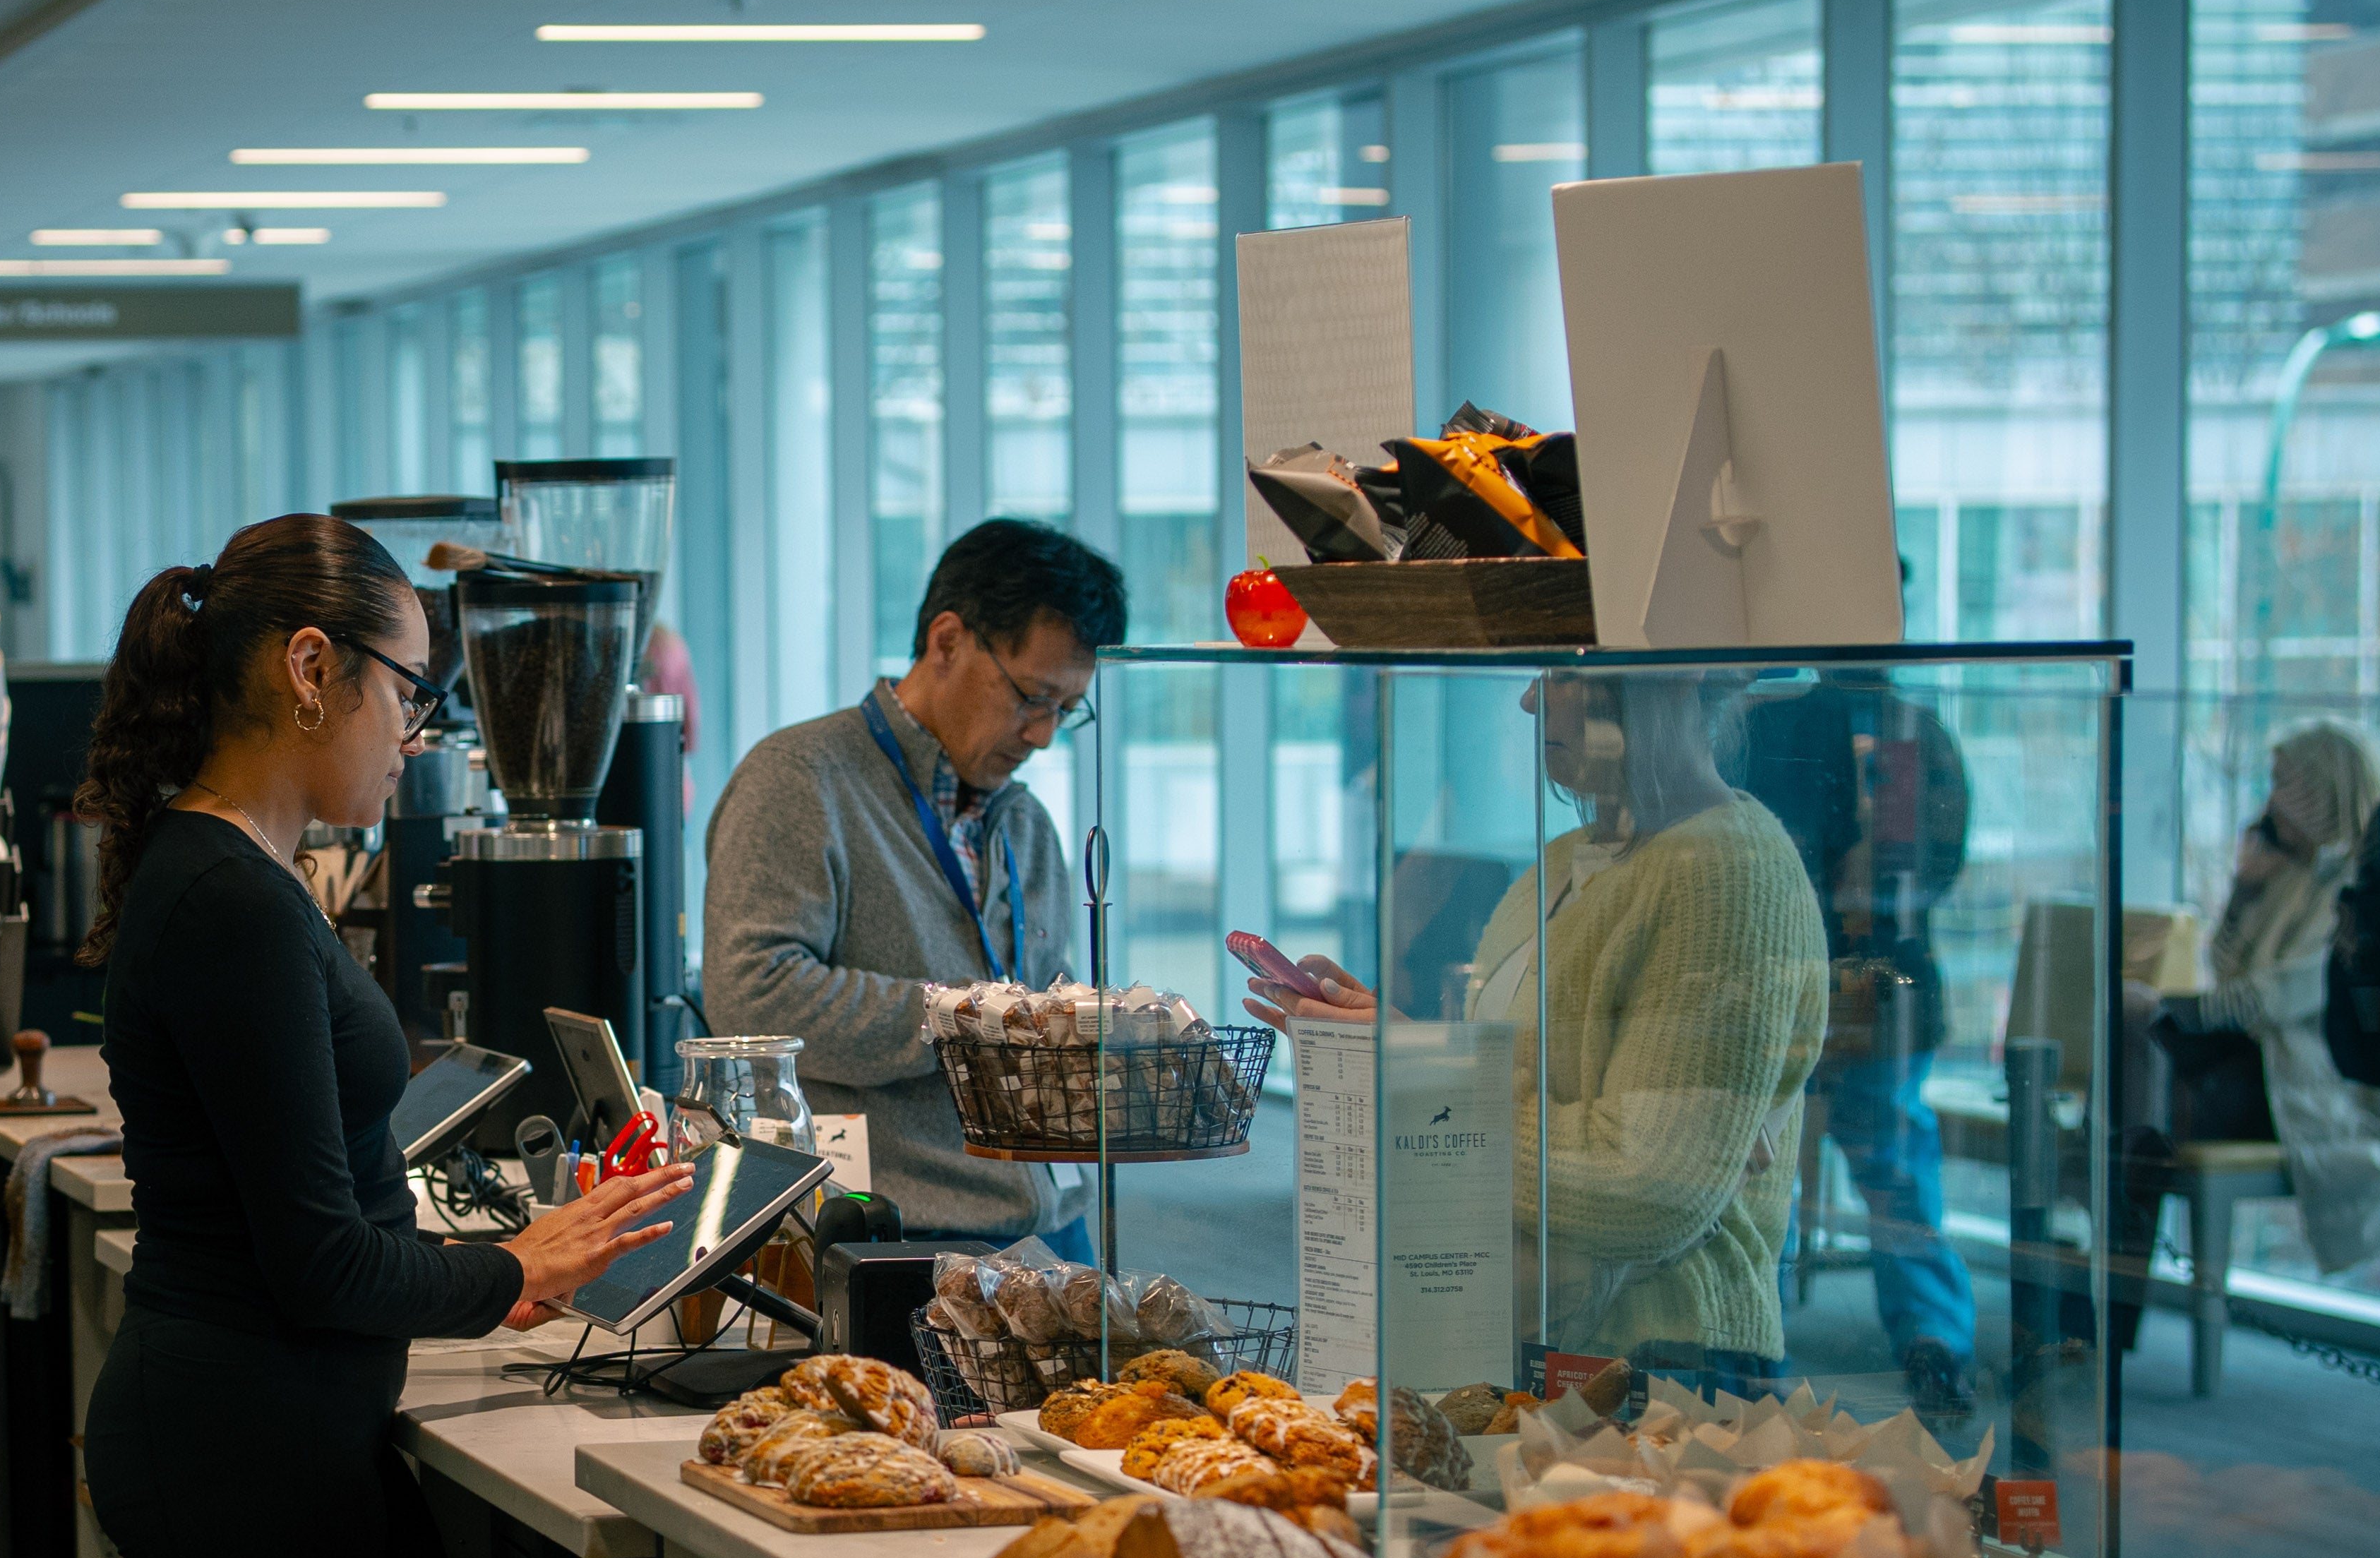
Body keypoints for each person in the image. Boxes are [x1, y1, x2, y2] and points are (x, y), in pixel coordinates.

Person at [73, 513, 693, 1558]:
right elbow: (317, 1258)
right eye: (411, 691)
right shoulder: (230, 899)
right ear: (310, 668)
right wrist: (507, 1267)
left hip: (288, 1440)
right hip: (247, 1458)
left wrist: (496, 1278)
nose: (417, 731)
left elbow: (324, 1216)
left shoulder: (235, 876)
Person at [1244, 667, 1829, 1377]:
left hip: (1663, 1362)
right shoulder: (1562, 862)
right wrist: (1396, 1042)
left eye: (1565, 674)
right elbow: (1515, 1084)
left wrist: (1417, 1071)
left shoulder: (1726, 868)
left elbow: (1649, 1189)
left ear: (1671, 677)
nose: (1530, 700)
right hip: (1530, 1340)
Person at [702, 518, 1125, 1253]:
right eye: (1032, 696)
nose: (1043, 735)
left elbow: (1045, 1018)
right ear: (946, 641)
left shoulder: (1023, 824)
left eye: (1067, 709)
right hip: (896, 1235)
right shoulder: (800, 780)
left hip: (1053, 1225)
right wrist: (960, 1016)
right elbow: (753, 996)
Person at [1736, 662, 1980, 1418]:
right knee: (1789, 1171)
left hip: (1867, 978)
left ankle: (1922, 1339)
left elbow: (1929, 860)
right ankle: (1757, 1342)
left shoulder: (1892, 730)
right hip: (1802, 972)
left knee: (1885, 1162)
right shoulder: (1783, 721)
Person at [2148, 721, 2380, 1270]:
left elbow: (2282, 996)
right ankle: (2104, 1298)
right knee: (2134, 1068)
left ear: (2322, 790)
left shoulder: (2362, 881)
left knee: (2139, 1082)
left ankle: (2099, 1301)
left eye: (2283, 783)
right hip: (2257, 1063)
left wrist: (2183, 1011)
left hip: (2312, 1083)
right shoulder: (2295, 875)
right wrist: (2246, 889)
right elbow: (2228, 971)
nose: (2271, 801)